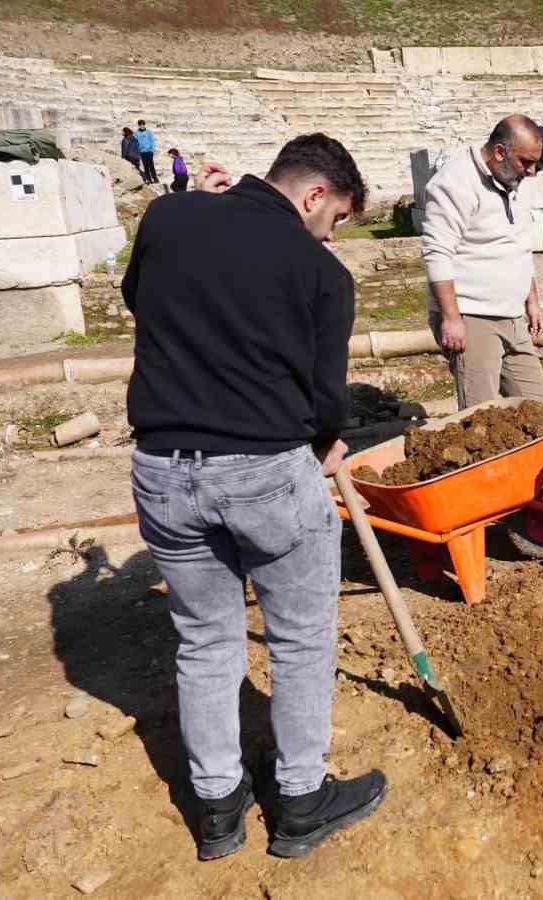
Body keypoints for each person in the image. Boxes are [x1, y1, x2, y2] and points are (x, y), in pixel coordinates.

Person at [124, 133, 387, 861]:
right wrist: (327, 440)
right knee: (300, 640)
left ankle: (217, 808)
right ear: (313, 196)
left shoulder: (168, 217)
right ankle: (300, 799)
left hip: (162, 468)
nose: (331, 235)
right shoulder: (320, 272)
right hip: (265, 469)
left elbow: (140, 301)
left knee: (204, 640)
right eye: (334, 218)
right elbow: (327, 400)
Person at [422, 114, 543, 409]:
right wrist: (451, 318)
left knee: (541, 410)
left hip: (512, 315)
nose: (532, 172)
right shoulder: (453, 182)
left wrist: (531, 300)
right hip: (472, 316)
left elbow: (517, 244)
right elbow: (437, 252)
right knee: (483, 416)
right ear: (500, 152)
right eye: (526, 162)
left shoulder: (515, 179)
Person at [135, 119, 158, 185]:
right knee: (145, 166)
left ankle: (155, 178)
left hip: (149, 151)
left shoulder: (148, 132)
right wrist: (138, 150)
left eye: (142, 124)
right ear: (138, 125)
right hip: (142, 152)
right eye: (140, 125)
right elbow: (136, 142)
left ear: (144, 125)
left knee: (151, 165)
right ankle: (149, 179)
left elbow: (152, 141)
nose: (141, 126)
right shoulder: (136, 133)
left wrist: (152, 149)